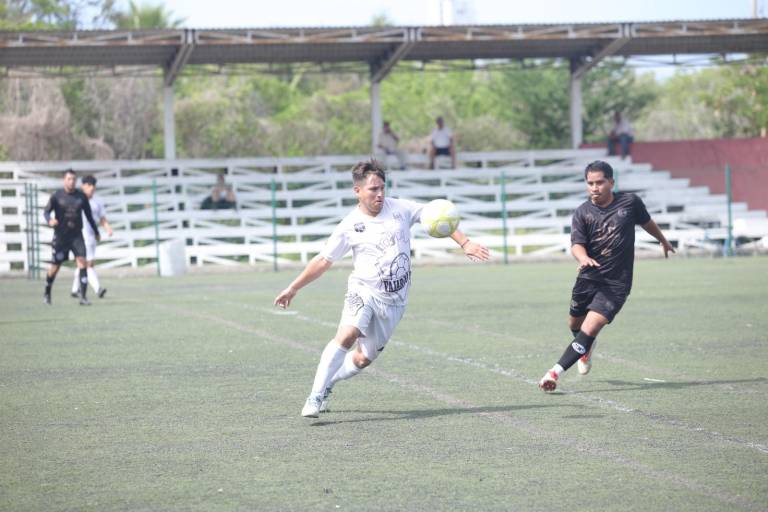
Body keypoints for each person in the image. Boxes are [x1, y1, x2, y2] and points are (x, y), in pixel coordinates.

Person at [274, 159, 490, 418]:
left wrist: (464, 242)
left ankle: (330, 382)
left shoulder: (400, 208)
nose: (380, 194)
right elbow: (323, 260)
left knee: (362, 359)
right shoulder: (349, 225)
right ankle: (315, 395)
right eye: (373, 189)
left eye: (382, 188)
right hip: (363, 290)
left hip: (395, 301)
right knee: (346, 335)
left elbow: (437, 216)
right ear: (357, 191)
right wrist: (293, 287)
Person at [538, 160, 674, 392]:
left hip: (616, 283)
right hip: (589, 277)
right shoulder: (582, 212)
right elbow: (576, 245)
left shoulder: (630, 203)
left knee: (590, 329)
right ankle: (586, 348)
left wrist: (662, 239)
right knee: (574, 324)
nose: (594, 187)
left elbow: (646, 222)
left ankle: (553, 374)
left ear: (611, 182)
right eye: (590, 183)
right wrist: (583, 259)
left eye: (599, 182)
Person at [42, 169, 100, 306]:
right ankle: (47, 292)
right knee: (55, 267)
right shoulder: (57, 196)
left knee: (82, 263)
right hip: (61, 237)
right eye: (69, 179)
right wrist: (50, 220)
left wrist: (96, 231)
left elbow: (89, 216)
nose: (71, 181)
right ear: (64, 180)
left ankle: (83, 297)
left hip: (76, 236)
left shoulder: (81, 197)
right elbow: (46, 212)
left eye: (74, 179)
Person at [70, 175, 113, 299]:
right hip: (79, 237)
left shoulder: (97, 201)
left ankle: (75, 289)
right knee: (88, 264)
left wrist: (108, 229)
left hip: (92, 238)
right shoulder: (76, 199)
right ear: (83, 186)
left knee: (83, 264)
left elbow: (102, 218)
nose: (92, 188)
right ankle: (98, 288)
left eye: (93, 185)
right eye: (89, 185)